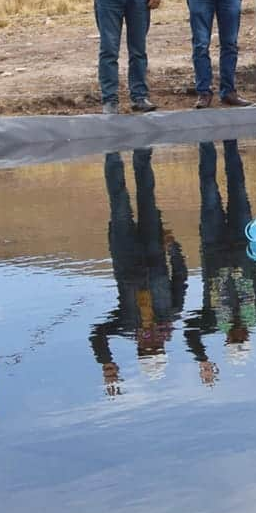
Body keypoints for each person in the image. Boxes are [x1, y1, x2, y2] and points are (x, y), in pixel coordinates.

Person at [88, 149, 189, 393]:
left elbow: (98, 335)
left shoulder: (125, 325)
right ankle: (142, 150)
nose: (152, 343)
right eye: (156, 349)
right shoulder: (172, 313)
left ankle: (112, 153)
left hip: (125, 254)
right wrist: (173, 248)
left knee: (120, 202)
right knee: (147, 197)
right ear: (164, 347)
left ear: (139, 349)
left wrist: (107, 362)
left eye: (148, 350)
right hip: (155, 250)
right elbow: (180, 277)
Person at [189, 139, 256, 384]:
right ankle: (231, 140)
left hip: (213, 244)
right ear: (248, 338)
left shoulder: (211, 321)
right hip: (242, 239)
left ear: (226, 341)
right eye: (241, 340)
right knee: (238, 187)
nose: (238, 335)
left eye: (234, 341)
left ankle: (205, 142)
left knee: (209, 190)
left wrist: (202, 357)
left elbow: (190, 332)